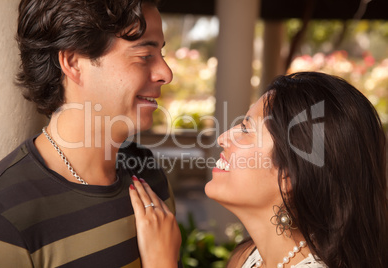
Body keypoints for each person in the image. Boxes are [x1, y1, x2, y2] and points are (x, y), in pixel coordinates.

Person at [0, 0, 180, 267]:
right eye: (145, 55)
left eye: (161, 55)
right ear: (73, 62)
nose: (166, 73)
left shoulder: (150, 177)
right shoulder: (1, 216)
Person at [129, 72, 388, 267]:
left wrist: (161, 262)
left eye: (245, 129)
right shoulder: (247, 257)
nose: (223, 138)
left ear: (289, 176)